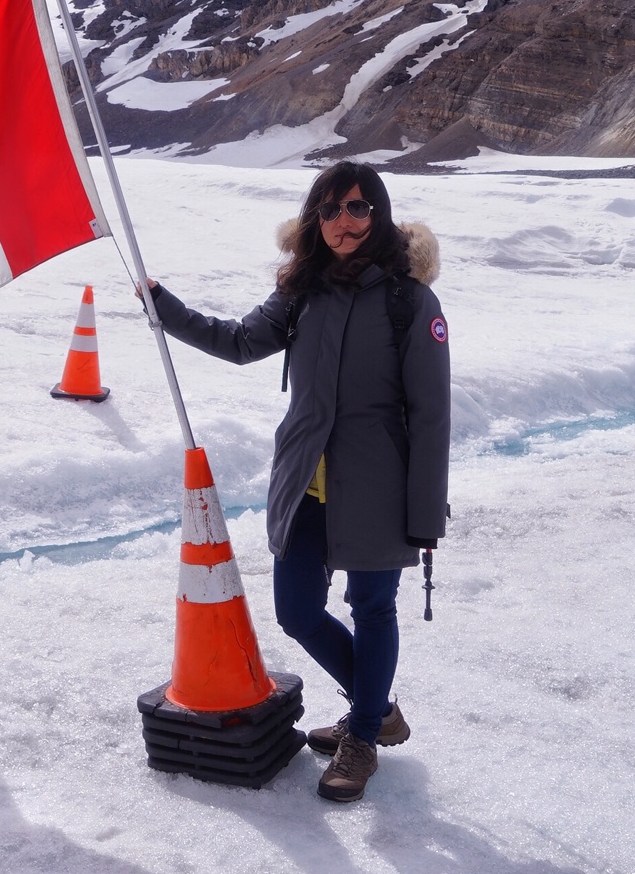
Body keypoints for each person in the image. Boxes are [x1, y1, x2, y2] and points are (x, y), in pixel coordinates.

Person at [142, 159, 449, 802]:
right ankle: (379, 708)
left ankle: (363, 734)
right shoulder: (302, 289)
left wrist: (425, 513)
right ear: (316, 218)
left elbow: (431, 412)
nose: (346, 221)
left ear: (379, 215)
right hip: (306, 478)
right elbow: (238, 341)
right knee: (298, 611)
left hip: (379, 484)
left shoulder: (409, 301)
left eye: (360, 208)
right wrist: (164, 308)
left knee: (372, 609)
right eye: (333, 208)